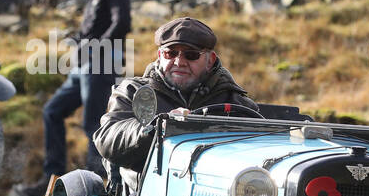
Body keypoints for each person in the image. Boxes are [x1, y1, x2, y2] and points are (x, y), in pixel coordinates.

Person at [21, 0, 132, 196]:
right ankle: (53, 178)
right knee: (52, 111)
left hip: (101, 63)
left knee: (93, 125)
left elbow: (122, 23)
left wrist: (95, 46)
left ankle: (99, 189)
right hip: (84, 65)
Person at [95, 16, 258, 174]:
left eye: (191, 55)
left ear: (210, 61)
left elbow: (261, 150)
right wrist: (155, 128)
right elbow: (107, 138)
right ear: (160, 56)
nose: (179, 62)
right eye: (171, 53)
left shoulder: (237, 103)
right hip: (146, 192)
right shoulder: (133, 91)